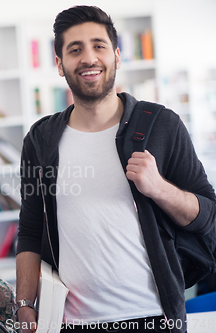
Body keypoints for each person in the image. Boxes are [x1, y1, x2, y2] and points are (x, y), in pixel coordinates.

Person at [15, 5, 216, 333]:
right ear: (59, 64)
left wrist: (160, 188)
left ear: (117, 56)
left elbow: (207, 215)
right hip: (73, 323)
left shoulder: (161, 125)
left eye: (99, 46)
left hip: (155, 317)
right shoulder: (41, 138)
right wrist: (24, 303)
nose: (88, 58)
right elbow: (31, 228)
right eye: (75, 49)